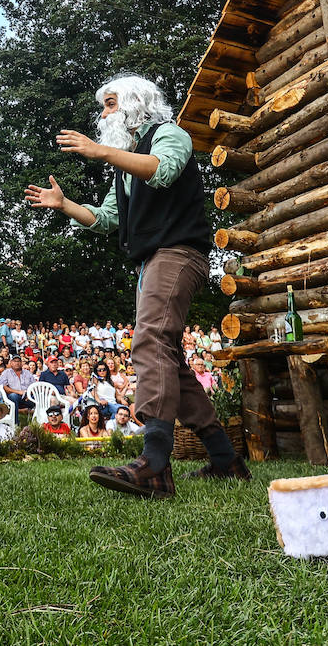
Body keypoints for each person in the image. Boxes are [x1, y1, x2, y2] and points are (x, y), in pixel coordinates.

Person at [25, 72, 247, 500]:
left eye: (109, 103)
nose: (103, 112)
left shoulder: (170, 134)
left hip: (180, 254)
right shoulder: (122, 166)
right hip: (151, 261)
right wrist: (65, 204)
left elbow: (162, 172)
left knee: (149, 340)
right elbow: (107, 219)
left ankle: (155, 465)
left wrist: (100, 151)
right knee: (169, 358)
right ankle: (225, 459)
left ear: (135, 102)